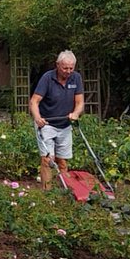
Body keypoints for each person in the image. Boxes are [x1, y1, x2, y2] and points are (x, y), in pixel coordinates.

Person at [29, 50, 85, 190]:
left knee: (63, 162)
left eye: (71, 68)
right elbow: (34, 101)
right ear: (57, 65)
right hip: (46, 124)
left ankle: (64, 191)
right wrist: (37, 118)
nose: (68, 71)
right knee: (47, 160)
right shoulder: (47, 78)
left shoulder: (76, 78)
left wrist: (76, 113)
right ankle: (47, 192)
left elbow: (79, 102)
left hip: (65, 125)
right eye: (65, 68)